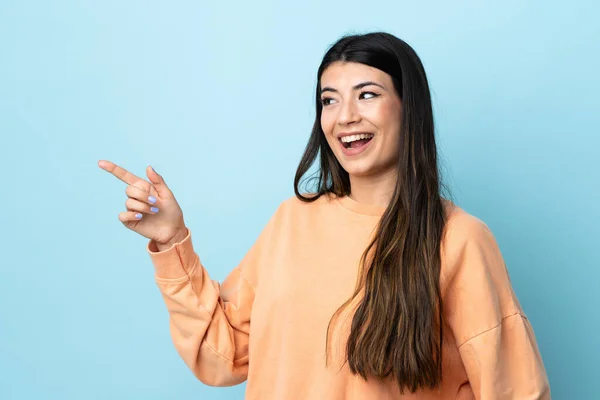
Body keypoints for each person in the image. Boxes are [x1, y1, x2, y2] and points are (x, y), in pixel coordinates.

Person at [98, 32, 550, 399]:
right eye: (329, 100)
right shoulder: (291, 222)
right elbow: (224, 356)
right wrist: (173, 241)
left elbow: (514, 389)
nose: (345, 117)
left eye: (367, 95)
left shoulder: (459, 239)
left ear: (409, 107)